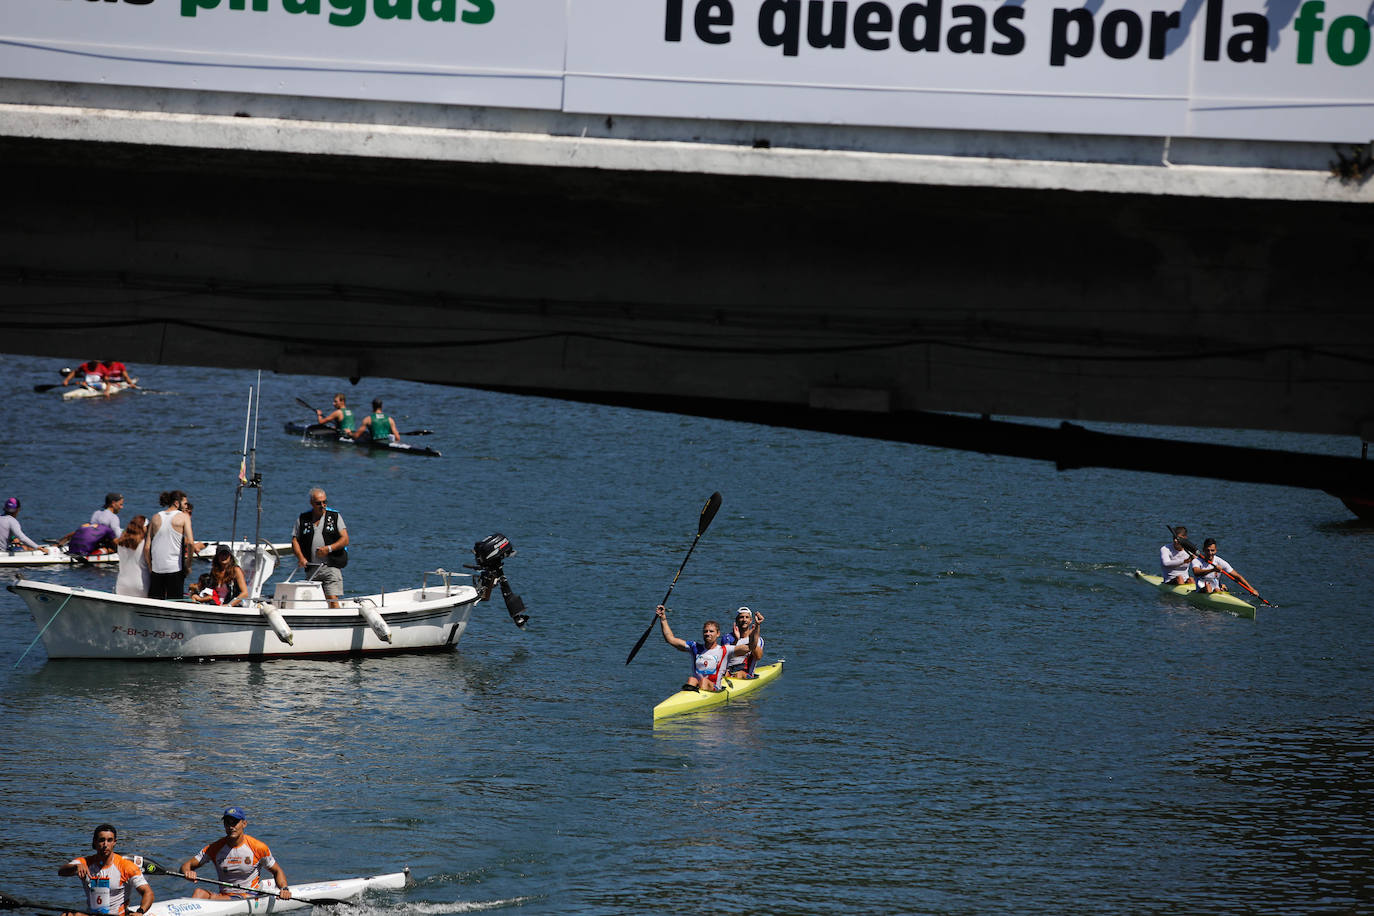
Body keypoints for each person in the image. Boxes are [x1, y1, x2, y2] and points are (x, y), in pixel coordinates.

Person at [180, 806, 291, 901]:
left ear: (244, 824)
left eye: (235, 822)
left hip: (250, 896)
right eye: (227, 822)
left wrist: (284, 889)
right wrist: (187, 872)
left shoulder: (258, 847)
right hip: (225, 896)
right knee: (199, 892)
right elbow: (186, 866)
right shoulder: (215, 848)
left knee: (201, 894)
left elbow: (277, 871)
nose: (231, 826)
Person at [655, 604, 760, 693]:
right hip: (698, 684)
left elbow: (751, 647)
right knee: (691, 679)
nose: (708, 634)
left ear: (718, 634)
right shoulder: (695, 647)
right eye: (705, 631)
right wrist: (663, 618)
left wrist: (757, 626)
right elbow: (670, 639)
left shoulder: (725, 650)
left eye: (711, 631)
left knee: (702, 681)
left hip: (715, 689)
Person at [58, 823, 154, 916]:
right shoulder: (85, 863)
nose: (105, 844)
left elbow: (147, 892)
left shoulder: (126, 866)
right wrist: (75, 867)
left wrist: (140, 911)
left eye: (109, 840)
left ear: (114, 842)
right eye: (101, 840)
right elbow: (61, 872)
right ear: (95, 842)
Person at [292, 487, 349, 609]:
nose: (322, 505)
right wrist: (301, 558)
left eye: (325, 502)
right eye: (318, 503)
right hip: (312, 567)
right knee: (312, 601)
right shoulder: (303, 518)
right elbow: (295, 540)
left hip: (331, 566)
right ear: (312, 503)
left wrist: (328, 549)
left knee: (332, 598)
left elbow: (345, 539)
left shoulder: (334, 517)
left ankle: (337, 621)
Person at [146, 490, 194, 600]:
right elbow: (191, 543)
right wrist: (189, 565)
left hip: (156, 569)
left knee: (155, 603)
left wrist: (150, 567)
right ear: (177, 503)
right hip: (175, 569)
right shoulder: (183, 517)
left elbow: (147, 547)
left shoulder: (155, 517)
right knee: (175, 603)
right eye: (185, 503)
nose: (186, 506)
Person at [1190, 538, 1258, 595]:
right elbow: (1196, 572)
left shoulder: (1220, 561)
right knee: (1208, 587)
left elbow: (1237, 576)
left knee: (1217, 589)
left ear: (1216, 550)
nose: (1210, 553)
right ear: (1203, 550)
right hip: (1201, 589)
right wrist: (1213, 570)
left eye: (1212, 550)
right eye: (1208, 550)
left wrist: (1251, 589)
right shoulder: (1197, 561)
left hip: (1216, 589)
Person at [724, 606, 766, 679]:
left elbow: (758, 656)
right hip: (728, 671)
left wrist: (757, 627)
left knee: (738, 674)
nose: (744, 620)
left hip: (745, 673)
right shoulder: (727, 637)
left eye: (747, 617)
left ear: (750, 620)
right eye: (741, 617)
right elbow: (725, 655)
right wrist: (736, 640)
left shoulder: (759, 640)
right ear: (736, 620)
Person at [114, 515, 151, 597]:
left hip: (121, 585)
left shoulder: (120, 543)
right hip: (140, 585)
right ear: (143, 527)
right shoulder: (145, 544)